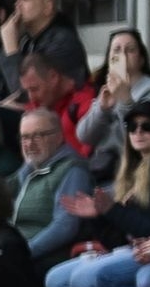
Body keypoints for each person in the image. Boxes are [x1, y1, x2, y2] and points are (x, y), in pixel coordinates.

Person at [46, 97, 150, 287]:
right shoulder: (128, 173)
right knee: (56, 281)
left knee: (85, 279)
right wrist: (98, 216)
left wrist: (111, 210)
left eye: (147, 126)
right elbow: (117, 241)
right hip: (131, 249)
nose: (138, 132)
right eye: (132, 127)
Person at [10, 107, 90, 271]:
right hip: (18, 250)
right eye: (25, 137)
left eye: (38, 136)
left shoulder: (73, 170)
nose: (30, 144)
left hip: (46, 258)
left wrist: (24, 252)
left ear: (59, 136)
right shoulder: (31, 168)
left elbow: (65, 226)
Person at [76, 30, 150, 181]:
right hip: (102, 167)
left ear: (141, 59)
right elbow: (84, 136)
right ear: (109, 59)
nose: (123, 55)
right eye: (116, 50)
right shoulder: (107, 87)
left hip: (134, 171)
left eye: (130, 50)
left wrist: (125, 102)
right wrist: (102, 109)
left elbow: (138, 139)